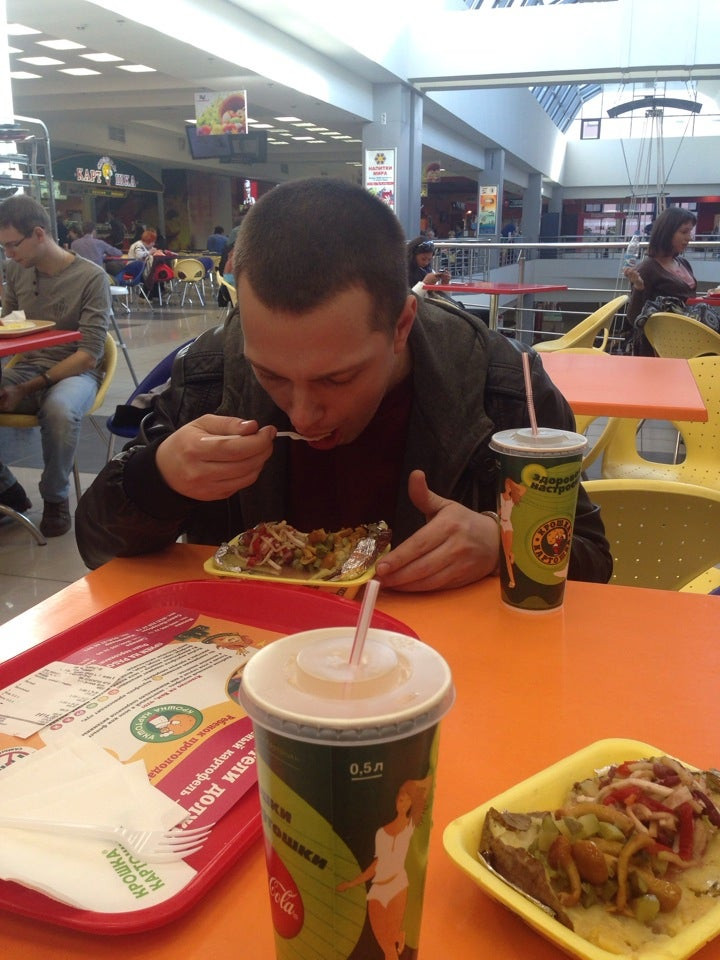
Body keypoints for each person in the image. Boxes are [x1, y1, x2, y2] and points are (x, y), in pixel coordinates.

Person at [75, 177, 612, 590]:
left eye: (337, 378)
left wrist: (502, 545)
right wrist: (159, 478)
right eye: (272, 375)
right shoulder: (210, 374)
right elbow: (97, 546)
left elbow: (593, 560)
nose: (303, 415)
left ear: (401, 325)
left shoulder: (504, 386)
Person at [0, 194, 111, 537]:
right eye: (3, 247)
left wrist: (25, 388)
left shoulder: (91, 278)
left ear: (38, 233)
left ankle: (55, 498)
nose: (8, 254)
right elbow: (11, 325)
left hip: (77, 370)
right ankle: (8, 490)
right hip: (28, 363)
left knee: (59, 411)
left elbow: (89, 354)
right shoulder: (16, 270)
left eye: (12, 245)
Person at [336, 777, 432, 960]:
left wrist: (415, 785)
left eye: (408, 801)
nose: (403, 804)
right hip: (377, 891)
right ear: (396, 801)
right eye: (401, 800)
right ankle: (398, 935)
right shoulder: (382, 832)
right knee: (383, 942)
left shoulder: (410, 825)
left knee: (388, 948)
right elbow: (377, 864)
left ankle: (397, 935)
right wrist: (351, 884)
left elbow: (427, 786)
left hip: (397, 885)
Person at [622, 207, 699, 355]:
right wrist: (638, 287)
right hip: (661, 346)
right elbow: (634, 317)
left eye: (690, 232)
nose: (689, 237)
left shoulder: (682, 262)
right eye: (684, 232)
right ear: (667, 233)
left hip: (686, 339)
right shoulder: (648, 268)